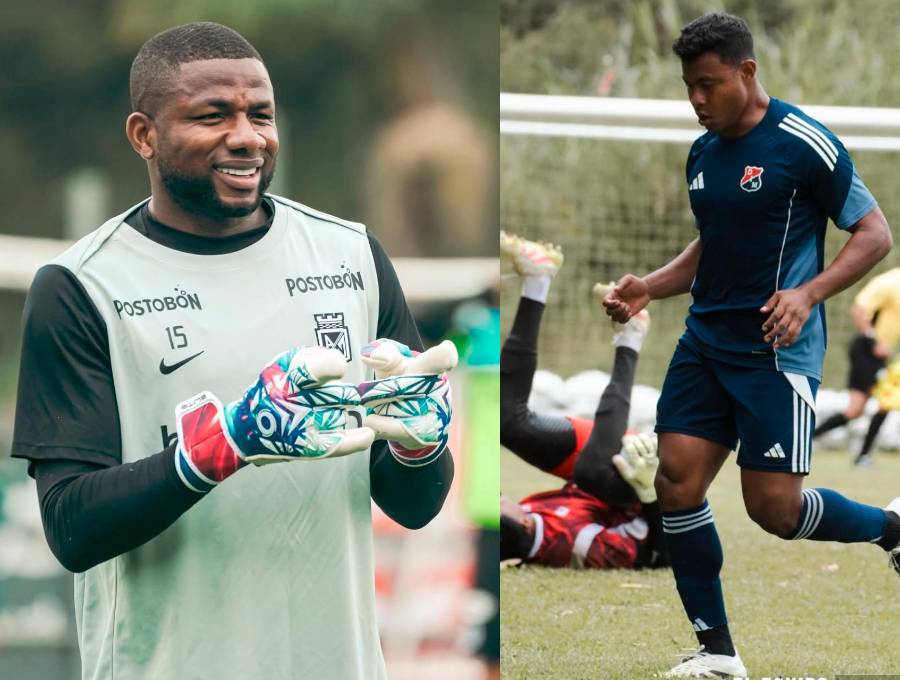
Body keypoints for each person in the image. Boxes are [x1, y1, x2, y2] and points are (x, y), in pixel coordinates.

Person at [11, 22, 455, 680]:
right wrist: (223, 448)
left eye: (261, 115)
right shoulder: (81, 286)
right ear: (144, 135)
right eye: (212, 116)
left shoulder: (351, 257)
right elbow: (72, 528)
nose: (247, 137)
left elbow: (413, 508)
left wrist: (421, 449)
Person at [602, 13, 898, 678]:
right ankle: (717, 653)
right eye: (688, 86)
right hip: (705, 342)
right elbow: (713, 244)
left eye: (708, 84)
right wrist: (650, 286)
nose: (696, 99)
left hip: (774, 352)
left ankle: (892, 530)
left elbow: (875, 233)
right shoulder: (703, 153)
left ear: (747, 71)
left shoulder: (803, 143)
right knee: (676, 481)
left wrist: (808, 294)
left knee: (775, 510)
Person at [499, 232, 667, 570]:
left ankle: (537, 278)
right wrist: (651, 494)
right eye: (498, 501)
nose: (499, 495)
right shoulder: (576, 543)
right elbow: (659, 555)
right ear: (524, 524)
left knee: (506, 422)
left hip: (602, 465)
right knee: (592, 472)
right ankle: (630, 338)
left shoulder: (530, 521)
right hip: (644, 478)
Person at [813, 267, 900, 465]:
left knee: (857, 410)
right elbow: (858, 309)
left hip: (877, 354)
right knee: (882, 403)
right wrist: (873, 341)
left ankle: (812, 439)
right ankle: (862, 456)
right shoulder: (891, 281)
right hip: (866, 350)